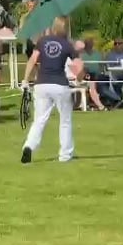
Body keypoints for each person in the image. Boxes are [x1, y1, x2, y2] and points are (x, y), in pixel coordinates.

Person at [20, 16, 83, 164]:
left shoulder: (42, 41)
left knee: (39, 120)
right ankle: (65, 155)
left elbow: (32, 60)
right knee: (65, 120)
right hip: (60, 84)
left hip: (41, 84)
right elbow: (79, 67)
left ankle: (29, 146)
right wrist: (79, 80)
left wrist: (25, 79)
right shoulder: (68, 45)